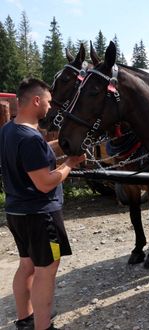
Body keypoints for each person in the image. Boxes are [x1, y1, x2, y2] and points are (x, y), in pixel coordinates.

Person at [0, 78, 85, 330]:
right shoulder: (30, 138)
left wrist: (58, 144)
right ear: (36, 101)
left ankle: (25, 318)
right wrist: (69, 163)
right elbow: (45, 183)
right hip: (41, 218)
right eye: (48, 102)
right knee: (47, 269)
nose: (49, 107)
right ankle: (43, 326)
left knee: (26, 265)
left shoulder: (9, 130)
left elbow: (31, 156)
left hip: (17, 212)